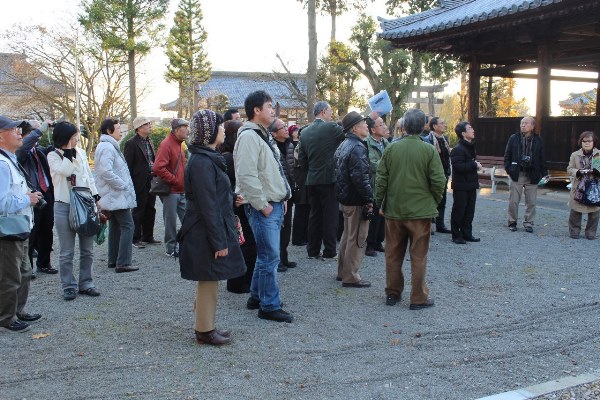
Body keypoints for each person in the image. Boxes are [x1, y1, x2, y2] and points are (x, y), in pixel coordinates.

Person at [178, 109, 246, 346]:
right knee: (208, 279)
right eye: (219, 126)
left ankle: (205, 325)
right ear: (208, 132)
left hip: (206, 227)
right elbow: (207, 205)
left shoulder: (205, 158)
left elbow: (213, 196)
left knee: (210, 278)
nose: (223, 130)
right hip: (204, 229)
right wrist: (219, 242)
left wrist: (231, 199)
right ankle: (204, 330)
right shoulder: (202, 162)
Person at [375, 109, 445, 309]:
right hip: (420, 212)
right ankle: (418, 297)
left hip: (394, 211)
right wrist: (433, 200)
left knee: (392, 254)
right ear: (423, 126)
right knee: (419, 256)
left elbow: (381, 179)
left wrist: (379, 202)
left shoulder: (391, 148)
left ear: (404, 127)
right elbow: (439, 181)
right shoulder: (429, 150)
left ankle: (393, 293)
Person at [234, 90, 293, 323]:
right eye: (269, 106)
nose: (272, 110)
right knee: (270, 257)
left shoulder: (261, 134)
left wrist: (282, 197)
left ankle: (257, 297)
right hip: (263, 206)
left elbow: (272, 171)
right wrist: (263, 205)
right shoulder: (249, 136)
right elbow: (247, 175)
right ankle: (269, 305)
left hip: (272, 202)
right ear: (256, 110)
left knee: (265, 255)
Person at [47, 122, 100, 301]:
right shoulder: (53, 156)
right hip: (64, 205)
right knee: (66, 251)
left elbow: (87, 177)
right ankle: (68, 285)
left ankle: (87, 282)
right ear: (66, 137)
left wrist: (96, 197)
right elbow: (65, 170)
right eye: (74, 136)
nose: (77, 139)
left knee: (88, 249)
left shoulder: (82, 153)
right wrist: (69, 151)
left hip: (85, 204)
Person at [0, 116, 42, 333]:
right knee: (10, 276)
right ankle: (7, 317)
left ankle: (18, 310)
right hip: (8, 229)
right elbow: (1, 202)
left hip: (20, 226)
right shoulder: (2, 164)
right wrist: (28, 199)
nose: (19, 132)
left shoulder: (10, 160)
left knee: (24, 272)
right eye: (12, 128)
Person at [297, 101, 345, 259]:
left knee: (315, 216)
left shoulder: (304, 132)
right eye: (330, 111)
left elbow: (302, 160)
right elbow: (347, 133)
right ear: (323, 111)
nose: (331, 114)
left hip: (312, 179)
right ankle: (330, 250)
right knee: (330, 216)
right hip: (329, 178)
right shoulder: (331, 127)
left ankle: (312, 250)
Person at [335, 111, 374, 288]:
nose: (367, 125)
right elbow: (360, 177)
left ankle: (343, 272)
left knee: (347, 236)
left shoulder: (344, 144)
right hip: (356, 200)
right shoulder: (357, 147)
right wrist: (369, 199)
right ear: (355, 128)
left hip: (345, 199)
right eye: (363, 123)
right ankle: (350, 276)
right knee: (357, 238)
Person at [94, 118, 138, 273]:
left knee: (116, 226)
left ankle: (114, 260)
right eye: (118, 128)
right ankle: (123, 262)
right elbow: (105, 172)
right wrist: (122, 185)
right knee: (128, 225)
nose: (121, 131)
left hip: (113, 194)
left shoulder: (108, 146)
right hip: (115, 195)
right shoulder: (107, 147)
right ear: (109, 131)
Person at [16, 121, 57, 275]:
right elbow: (24, 147)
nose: (38, 133)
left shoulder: (38, 151)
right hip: (32, 196)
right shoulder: (21, 152)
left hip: (46, 194)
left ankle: (44, 263)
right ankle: (28, 268)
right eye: (34, 130)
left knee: (47, 231)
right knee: (32, 233)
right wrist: (40, 131)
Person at [221, 119, 256, 294]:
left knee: (242, 243)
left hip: (237, 203)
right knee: (245, 244)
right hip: (237, 205)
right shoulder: (229, 157)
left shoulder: (229, 155)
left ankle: (238, 282)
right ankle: (238, 283)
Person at [504, 116, 547, 233]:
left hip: (532, 174)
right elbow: (507, 155)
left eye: (526, 123)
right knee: (513, 200)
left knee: (531, 201)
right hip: (517, 173)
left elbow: (542, 157)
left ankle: (529, 222)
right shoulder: (514, 138)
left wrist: (544, 173)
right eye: (522, 123)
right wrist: (509, 169)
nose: (523, 125)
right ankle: (512, 221)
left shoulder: (538, 140)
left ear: (532, 126)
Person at [153, 118, 188, 257]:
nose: (187, 130)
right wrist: (174, 180)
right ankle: (170, 248)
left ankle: (186, 244)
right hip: (171, 190)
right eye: (184, 127)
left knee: (186, 218)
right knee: (170, 220)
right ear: (177, 130)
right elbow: (158, 167)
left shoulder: (179, 144)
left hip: (180, 189)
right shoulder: (167, 144)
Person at [124, 116, 160, 248]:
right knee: (139, 209)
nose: (150, 126)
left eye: (149, 124)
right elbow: (128, 165)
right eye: (146, 124)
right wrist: (131, 182)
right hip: (138, 180)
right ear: (139, 128)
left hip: (151, 179)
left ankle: (148, 236)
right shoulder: (131, 143)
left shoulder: (149, 140)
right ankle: (135, 238)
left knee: (151, 208)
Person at [269, 118, 297, 272]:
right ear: (273, 133)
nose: (286, 129)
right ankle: (277, 260)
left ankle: (284, 258)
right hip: (278, 193)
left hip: (289, 191)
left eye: (286, 127)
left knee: (287, 228)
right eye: (282, 128)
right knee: (278, 227)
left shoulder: (290, 145)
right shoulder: (271, 148)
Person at [450, 122, 482, 244]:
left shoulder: (470, 146)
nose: (473, 130)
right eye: (470, 128)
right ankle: (456, 235)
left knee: (470, 211)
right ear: (463, 133)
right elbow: (458, 167)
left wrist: (475, 165)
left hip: (471, 184)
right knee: (459, 211)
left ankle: (467, 233)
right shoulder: (458, 149)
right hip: (461, 186)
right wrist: (474, 164)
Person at [567, 131, 600, 239]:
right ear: (581, 142)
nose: (586, 143)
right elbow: (569, 169)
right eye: (584, 141)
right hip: (579, 186)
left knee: (594, 211)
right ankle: (574, 231)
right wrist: (577, 171)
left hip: (594, 186)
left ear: (593, 142)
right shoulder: (575, 155)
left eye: (589, 141)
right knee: (575, 210)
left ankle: (591, 233)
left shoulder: (599, 155)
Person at [365, 115, 389, 256]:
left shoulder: (386, 142)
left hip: (385, 183)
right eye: (381, 124)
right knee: (373, 215)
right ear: (373, 129)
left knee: (383, 215)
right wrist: (387, 164)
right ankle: (369, 244)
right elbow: (373, 164)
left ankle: (379, 241)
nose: (384, 126)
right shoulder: (367, 143)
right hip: (373, 183)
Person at [427, 117, 452, 233]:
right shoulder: (429, 140)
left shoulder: (445, 139)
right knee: (431, 199)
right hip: (433, 175)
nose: (444, 125)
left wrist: (447, 172)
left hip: (444, 174)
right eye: (441, 123)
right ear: (434, 126)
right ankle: (430, 224)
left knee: (442, 200)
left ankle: (440, 224)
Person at [291, 126, 310, 246]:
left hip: (304, 180)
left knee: (306, 209)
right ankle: (298, 238)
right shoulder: (300, 147)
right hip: (301, 180)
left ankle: (304, 236)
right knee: (301, 209)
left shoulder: (305, 146)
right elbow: (301, 164)